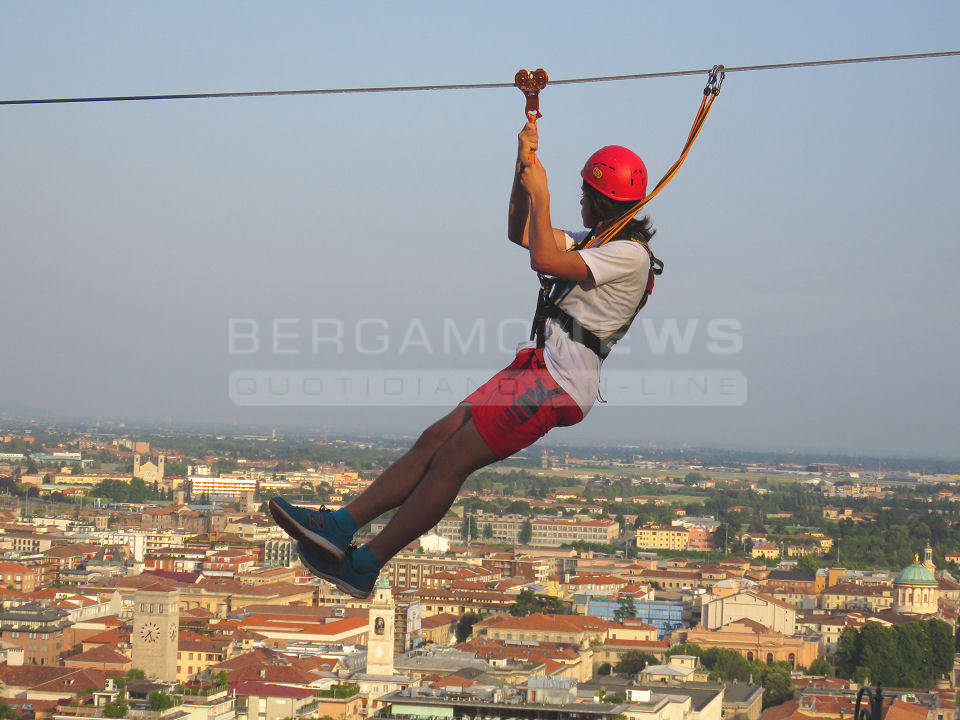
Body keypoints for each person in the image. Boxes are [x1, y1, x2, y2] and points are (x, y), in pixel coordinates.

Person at [271, 119, 657, 598]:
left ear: (597, 198)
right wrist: (524, 169)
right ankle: (340, 526)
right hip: (538, 369)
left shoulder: (629, 255)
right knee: (436, 438)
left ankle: (366, 564)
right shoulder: (595, 240)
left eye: (583, 193)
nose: (579, 201)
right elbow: (521, 233)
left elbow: (543, 260)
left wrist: (544, 194)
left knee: (451, 460)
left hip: (559, 382)